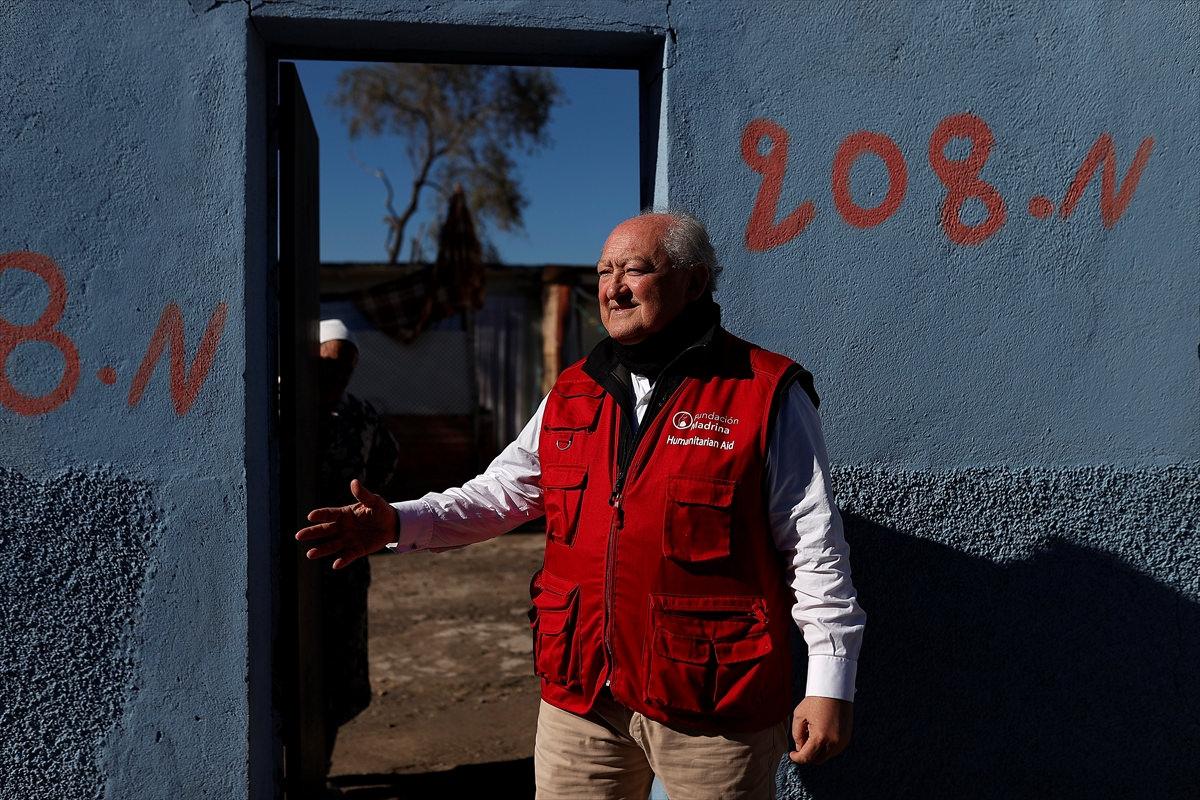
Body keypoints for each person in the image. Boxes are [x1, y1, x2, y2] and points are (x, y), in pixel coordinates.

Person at [297, 214, 865, 799]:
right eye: (604, 272)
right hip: (581, 699)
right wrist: (398, 521)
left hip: (713, 704)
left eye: (635, 270)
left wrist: (830, 680)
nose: (613, 288)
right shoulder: (574, 390)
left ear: (695, 283)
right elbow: (498, 495)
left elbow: (814, 545)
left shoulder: (764, 391)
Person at [313, 319, 399, 778]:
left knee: (337, 670)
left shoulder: (361, 415)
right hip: (291, 561)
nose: (336, 378)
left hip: (343, 564)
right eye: (327, 367)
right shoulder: (283, 408)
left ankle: (319, 770)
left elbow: (386, 463)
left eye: (345, 368)